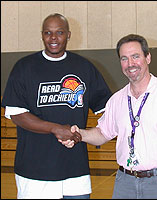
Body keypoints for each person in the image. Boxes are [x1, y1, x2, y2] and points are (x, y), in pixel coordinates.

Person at [61, 34, 157, 199]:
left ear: (148, 57)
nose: (130, 64)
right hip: (125, 184)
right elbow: (102, 133)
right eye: (124, 59)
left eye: (135, 56)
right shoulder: (116, 100)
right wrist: (78, 134)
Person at [1, 13, 112, 199]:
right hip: (34, 173)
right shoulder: (24, 67)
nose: (53, 38)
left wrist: (84, 134)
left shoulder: (84, 68)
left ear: (68, 35)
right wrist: (56, 129)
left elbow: (108, 110)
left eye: (59, 32)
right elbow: (17, 114)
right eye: (48, 32)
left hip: (75, 170)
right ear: (42, 35)